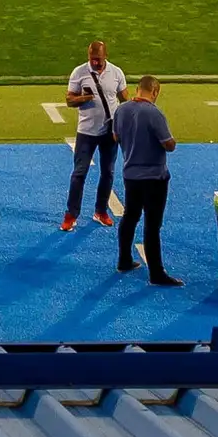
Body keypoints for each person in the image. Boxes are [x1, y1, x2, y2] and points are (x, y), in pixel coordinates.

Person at [110, 76, 179, 285]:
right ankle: (156, 273)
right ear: (155, 91)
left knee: (130, 217)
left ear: (137, 89)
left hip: (130, 175)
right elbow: (168, 144)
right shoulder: (154, 113)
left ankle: (124, 260)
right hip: (154, 177)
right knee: (152, 225)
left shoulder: (121, 110)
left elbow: (115, 137)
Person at [58, 39, 126, 232]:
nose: (95, 62)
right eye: (92, 58)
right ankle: (71, 215)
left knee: (108, 172)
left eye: (98, 59)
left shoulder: (116, 73)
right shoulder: (79, 72)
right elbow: (69, 100)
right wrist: (83, 99)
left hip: (109, 132)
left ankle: (101, 211)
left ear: (106, 56)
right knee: (79, 174)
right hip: (86, 132)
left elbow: (124, 100)